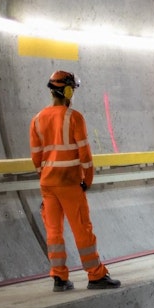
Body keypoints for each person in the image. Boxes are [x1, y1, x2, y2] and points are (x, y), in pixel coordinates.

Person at [30, 71, 120, 292]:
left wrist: (45, 175)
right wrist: (87, 180)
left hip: (48, 184)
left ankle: (59, 278)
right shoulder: (74, 117)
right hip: (69, 183)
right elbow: (85, 156)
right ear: (67, 90)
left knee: (53, 232)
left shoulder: (37, 119)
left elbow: (36, 156)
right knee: (82, 229)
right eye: (73, 89)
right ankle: (95, 275)